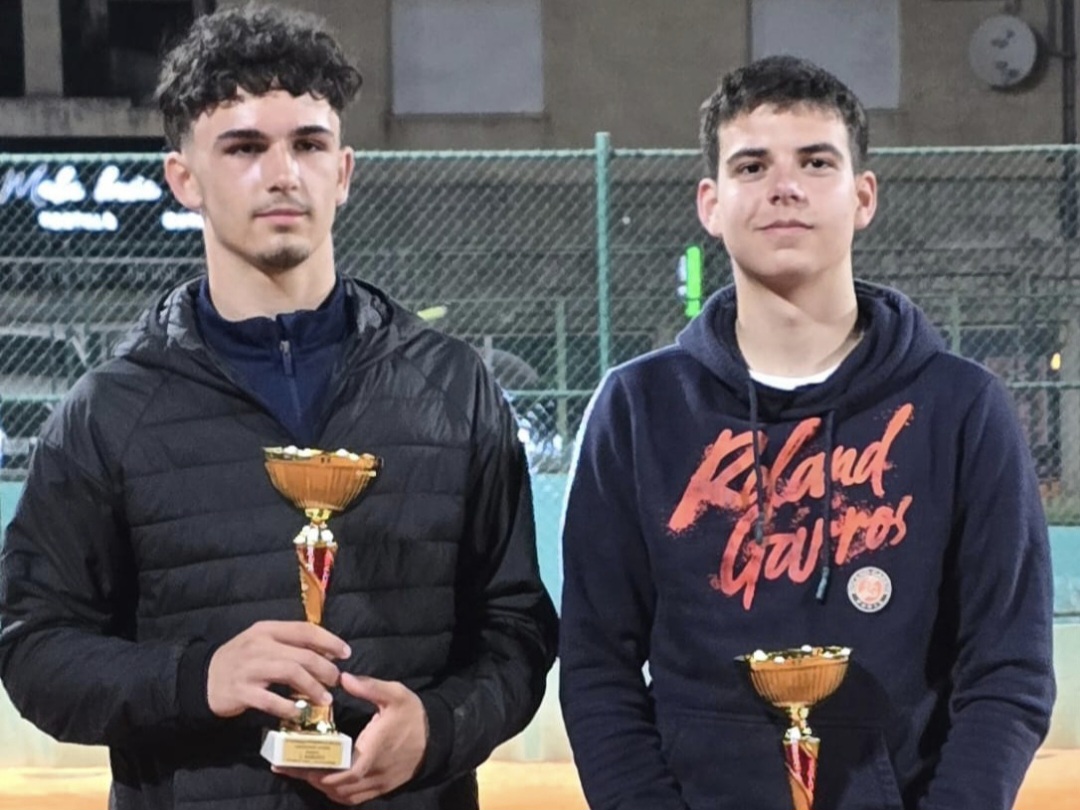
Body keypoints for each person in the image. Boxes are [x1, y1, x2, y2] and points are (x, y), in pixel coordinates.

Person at [0, 5, 557, 809]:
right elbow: (33, 648)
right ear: (183, 178)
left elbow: (518, 630)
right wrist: (198, 677)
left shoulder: (452, 386)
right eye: (244, 147)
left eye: (309, 144)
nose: (283, 173)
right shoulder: (109, 412)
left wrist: (439, 730)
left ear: (344, 171)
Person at [559, 55, 1055, 810]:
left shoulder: (961, 408)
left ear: (863, 197)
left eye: (816, 162)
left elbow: (1009, 669)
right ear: (710, 203)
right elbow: (597, 664)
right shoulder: (637, 408)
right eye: (751, 165)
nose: (784, 186)